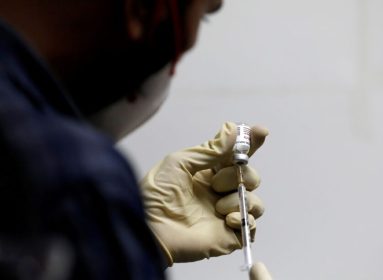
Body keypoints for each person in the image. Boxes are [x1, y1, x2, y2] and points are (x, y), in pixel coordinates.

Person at [0, 0, 272, 279]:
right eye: (205, 16)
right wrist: (108, 232)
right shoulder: (72, 180)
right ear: (140, 10)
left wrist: (139, 241)